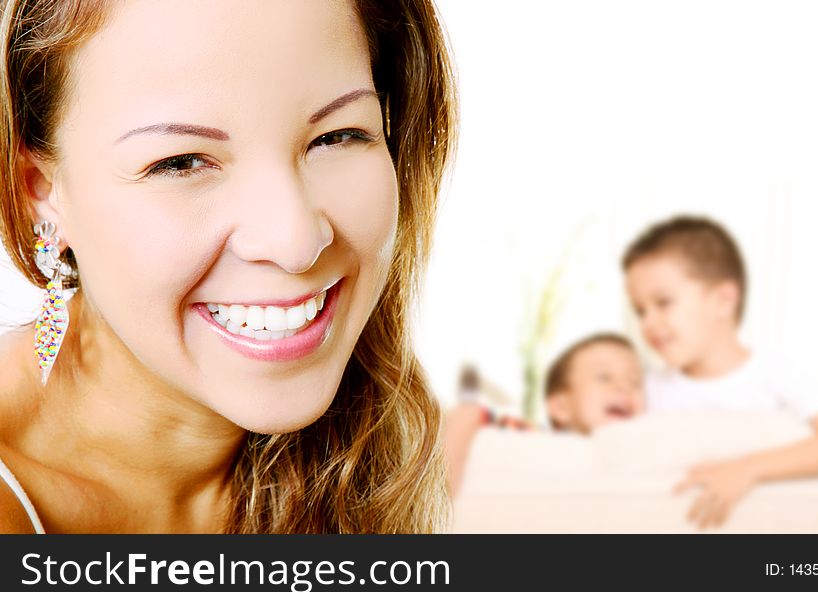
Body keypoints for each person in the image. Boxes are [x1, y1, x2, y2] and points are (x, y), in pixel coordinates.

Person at [0, 0, 457, 533]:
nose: (295, 242)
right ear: (40, 191)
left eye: (336, 136)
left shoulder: (389, 438)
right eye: (181, 162)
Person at [623, 215, 818, 529]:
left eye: (663, 303)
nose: (648, 323)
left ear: (723, 301)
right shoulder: (647, 387)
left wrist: (746, 469)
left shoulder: (774, 372)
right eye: (639, 310)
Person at [444, 333, 645, 497]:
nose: (624, 387)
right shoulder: (535, 437)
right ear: (561, 408)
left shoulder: (649, 449)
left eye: (635, 381)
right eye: (604, 377)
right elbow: (469, 413)